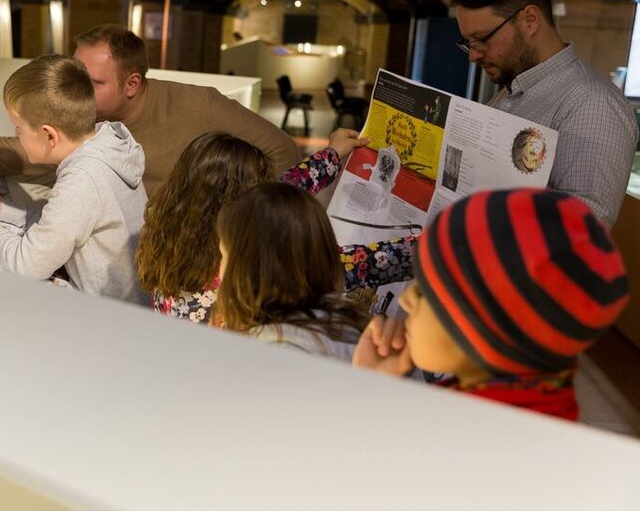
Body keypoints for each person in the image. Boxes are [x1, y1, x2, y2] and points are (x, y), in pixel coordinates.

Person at [0, 24, 300, 197]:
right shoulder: (81, 121)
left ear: (133, 84)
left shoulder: (201, 105)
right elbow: (6, 152)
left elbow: (285, 158)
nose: (75, 89)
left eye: (92, 83)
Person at [352, 188, 630, 421]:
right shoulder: (513, 408)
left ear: (490, 334)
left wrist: (367, 398)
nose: (406, 300)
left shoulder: (460, 447)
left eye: (427, 293)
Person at [0, 55, 148, 304]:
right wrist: (0, 210)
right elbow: (63, 222)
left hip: (110, 317)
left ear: (49, 136)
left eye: (18, 128)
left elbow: (27, 266)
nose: (16, 135)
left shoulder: (84, 178)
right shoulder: (105, 145)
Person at [137, 129, 414, 324]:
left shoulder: (172, 226)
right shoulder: (254, 266)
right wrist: (434, 246)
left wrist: (332, 155)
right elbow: (356, 263)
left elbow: (280, 187)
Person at [451, 0, 638, 226]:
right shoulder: (514, 89)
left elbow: (582, 229)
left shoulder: (593, 103)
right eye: (468, 43)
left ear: (529, 20)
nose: (473, 55)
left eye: (481, 39)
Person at [213, 183, 371, 360]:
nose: (219, 271)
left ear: (251, 269)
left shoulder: (270, 356)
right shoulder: (340, 327)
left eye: (223, 256)